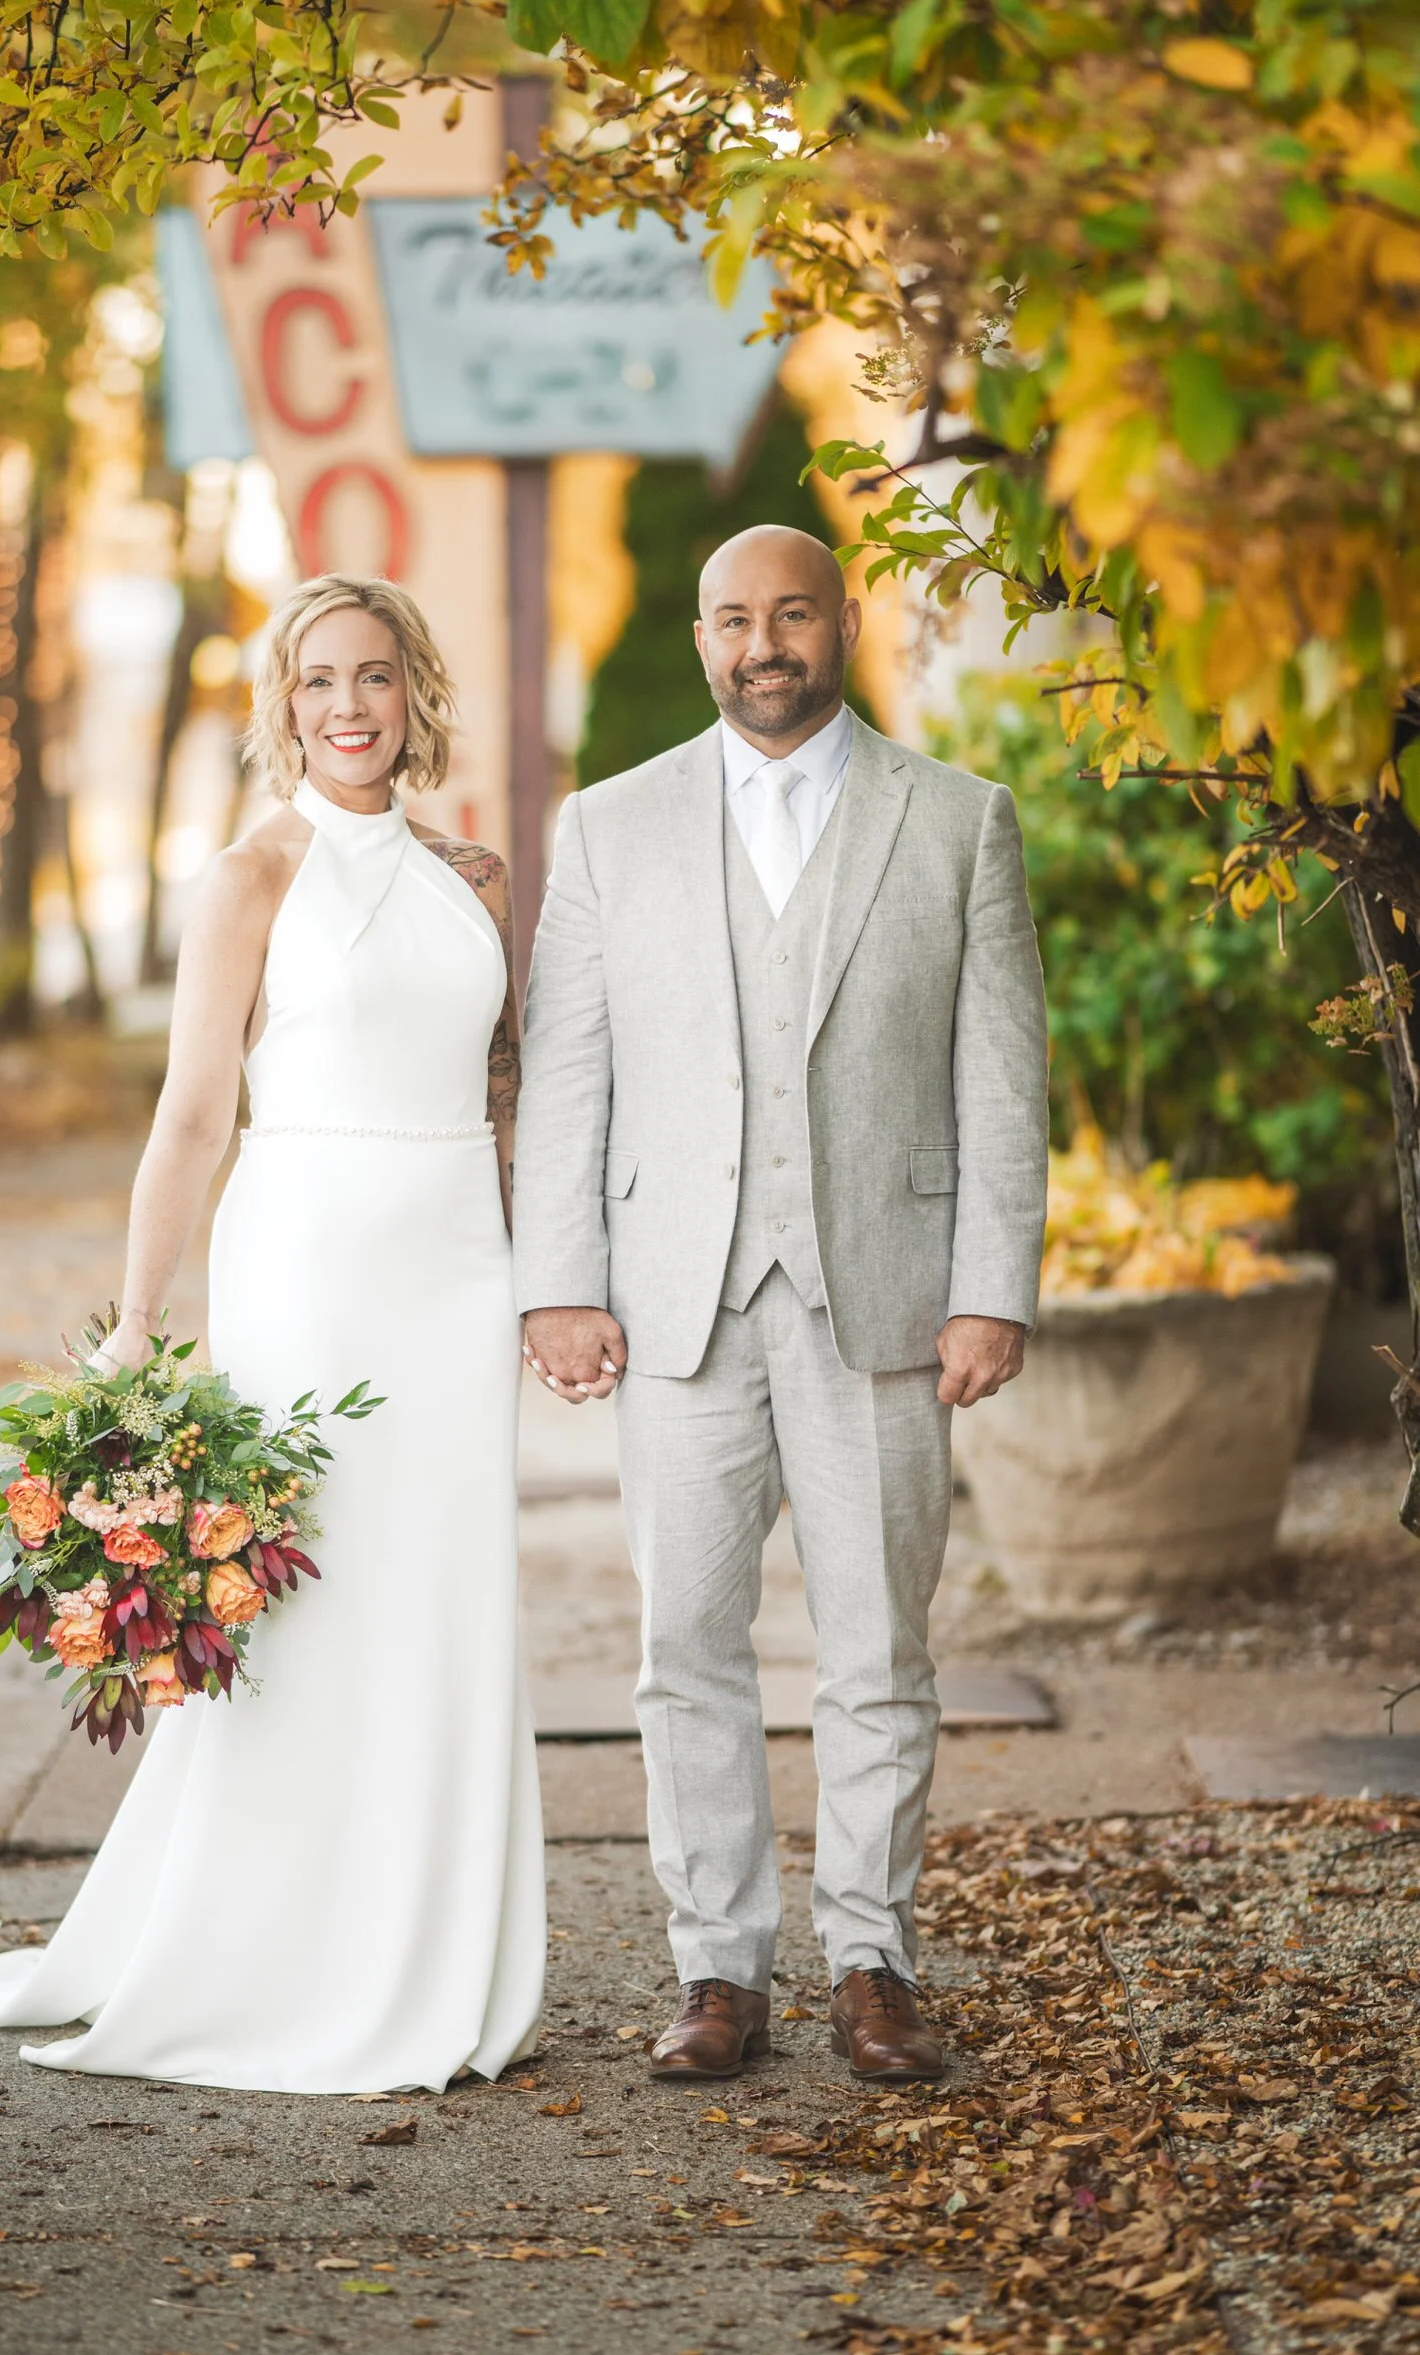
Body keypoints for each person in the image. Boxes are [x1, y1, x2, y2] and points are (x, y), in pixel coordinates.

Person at [0, 576, 546, 2094]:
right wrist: (135, 1319)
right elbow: (194, 1114)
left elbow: (511, 1090)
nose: (349, 708)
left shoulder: (480, 876)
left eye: (374, 677)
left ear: (414, 691)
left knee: (439, 1600)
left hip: (455, 1270)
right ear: (283, 702)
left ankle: (434, 1947)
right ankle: (272, 1950)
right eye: (319, 681)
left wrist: (547, 1275)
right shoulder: (250, 877)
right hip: (307, 1266)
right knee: (303, 1604)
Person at [515, 525, 1047, 2086]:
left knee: (877, 1643)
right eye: (735, 619)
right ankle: (716, 1966)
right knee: (685, 1643)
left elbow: (1002, 1075)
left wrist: (989, 1289)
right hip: (676, 1301)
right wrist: (557, 1279)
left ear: (841, 622)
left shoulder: (955, 821)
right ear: (699, 641)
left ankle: (870, 1957)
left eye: (792, 613)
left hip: (883, 1298)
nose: (765, 642)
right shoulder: (611, 827)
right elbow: (569, 1069)